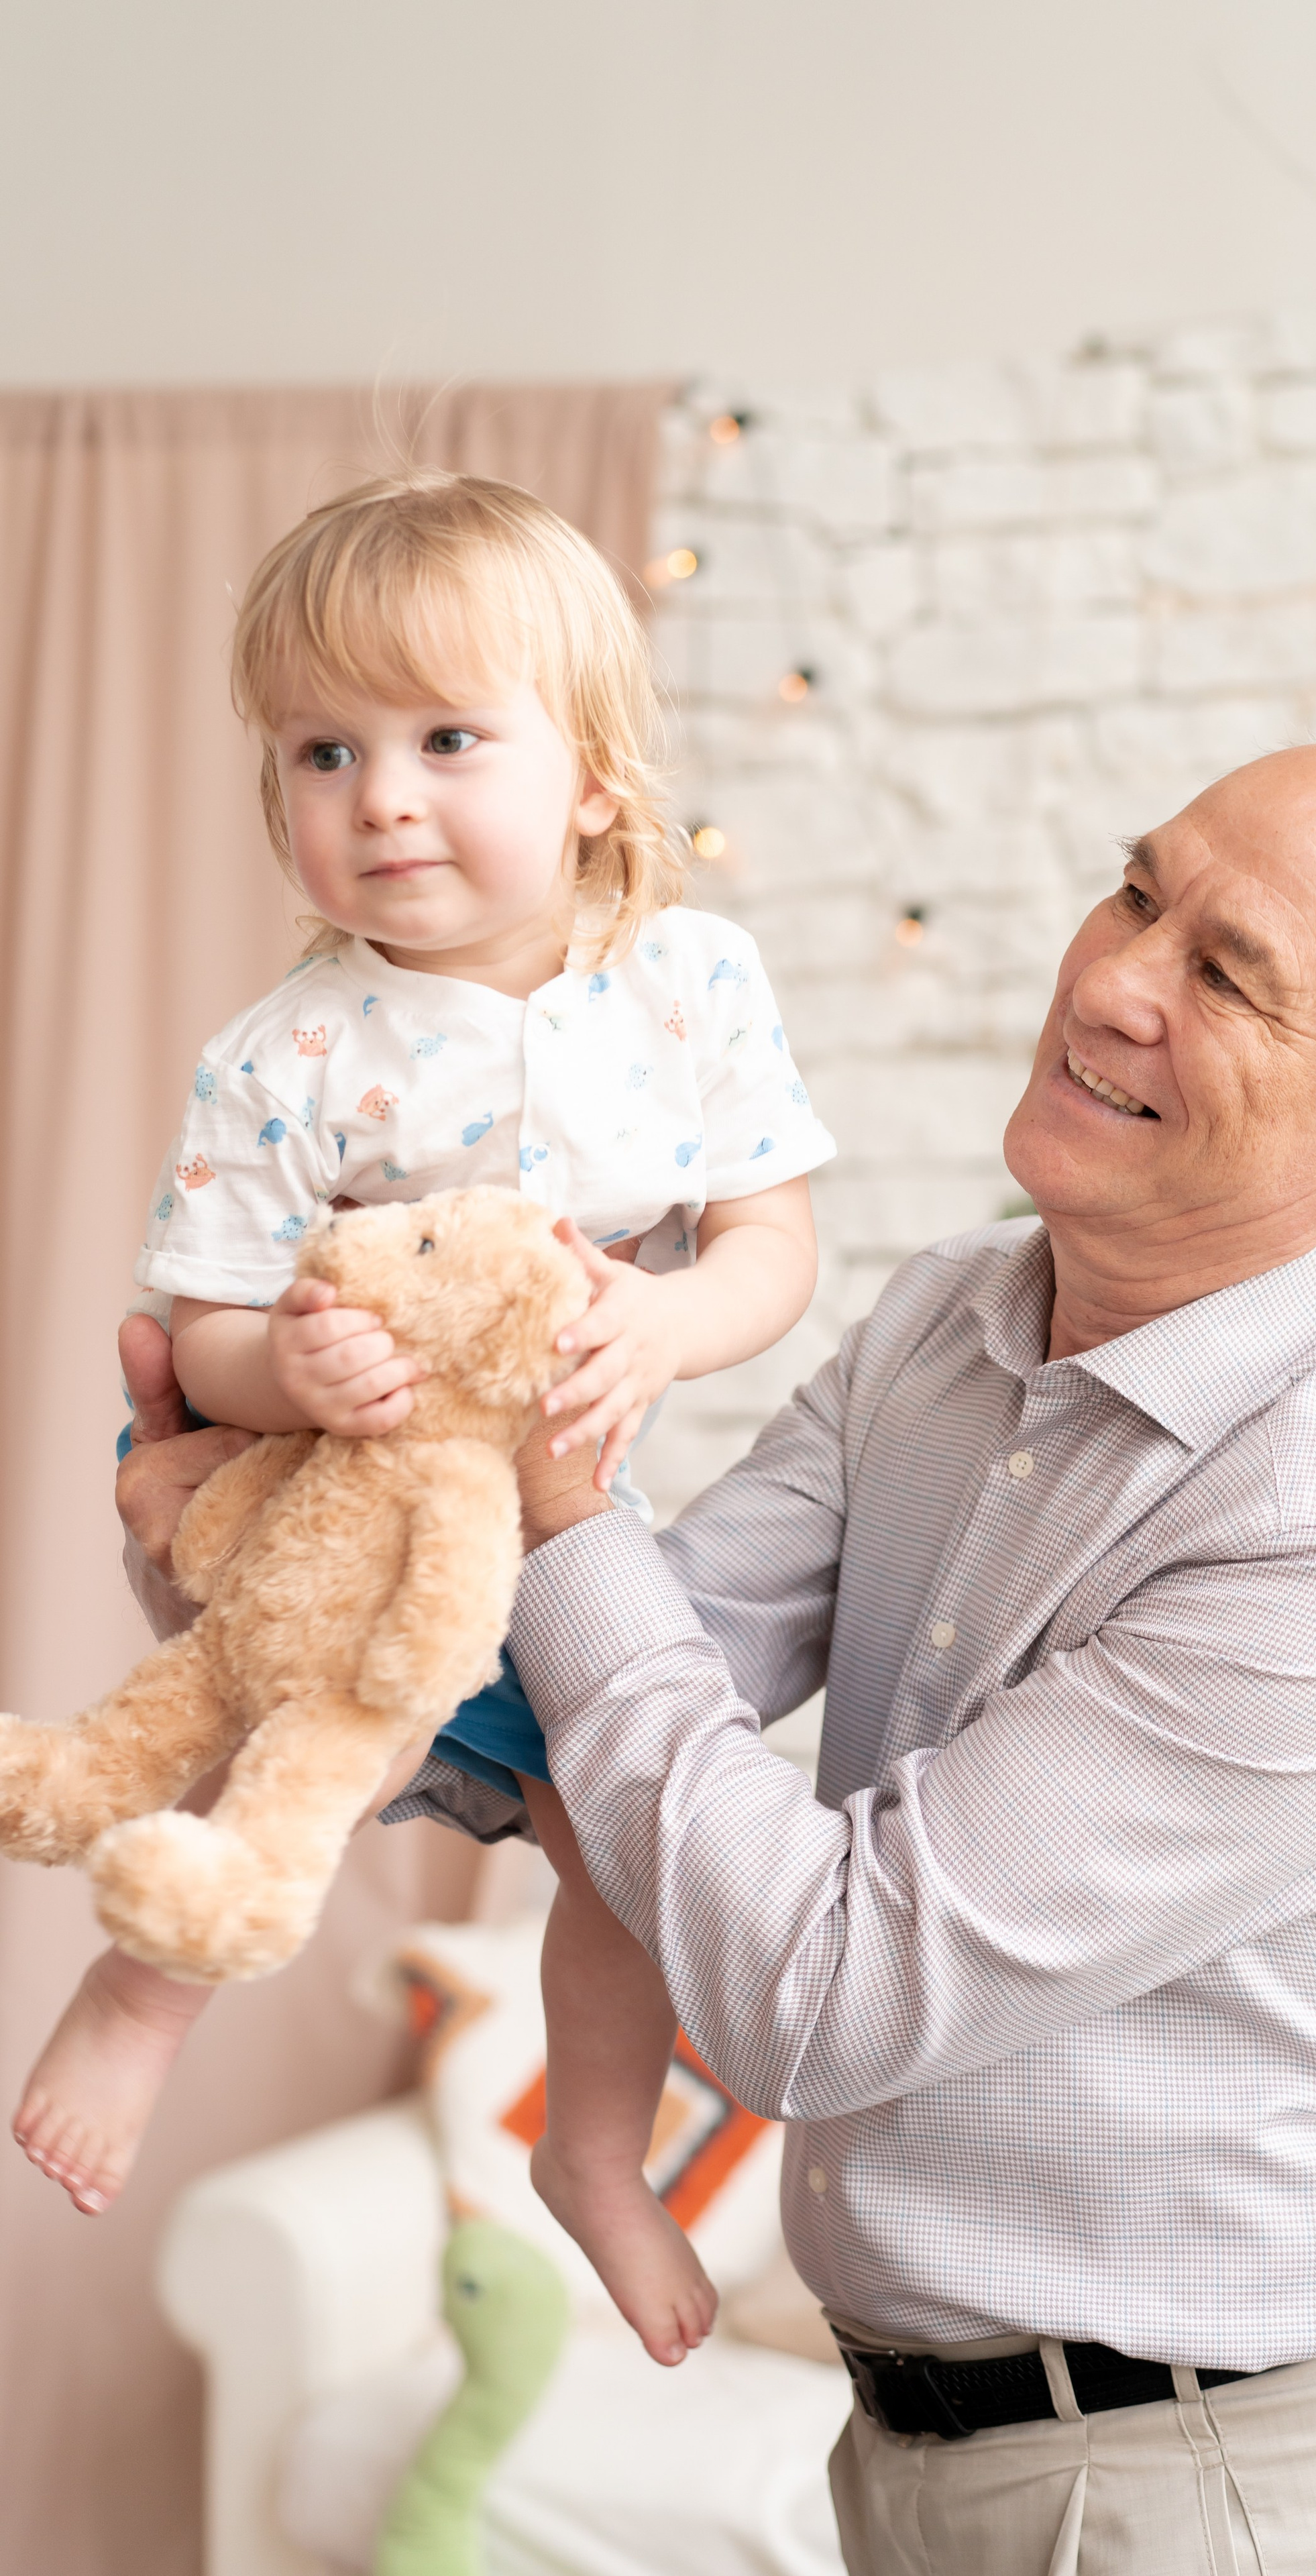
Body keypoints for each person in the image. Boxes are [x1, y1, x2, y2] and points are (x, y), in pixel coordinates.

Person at [111, 742, 1316, 2573]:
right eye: (1137, 893)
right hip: (919, 2453)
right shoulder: (956, 1315)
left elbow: (819, 1999)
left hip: (1235, 2489)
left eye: (1226, 975)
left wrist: (545, 1499)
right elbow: (601, 1701)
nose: (1113, 982)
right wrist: (260, 1563)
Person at [11, 470, 835, 2373]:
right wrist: (282, 1374)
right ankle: (140, 2002)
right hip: (322, 1479)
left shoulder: (692, 981)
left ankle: (595, 2153)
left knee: (617, 1841)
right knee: (280, 1727)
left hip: (546, 1519)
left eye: (448, 739)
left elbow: (772, 1246)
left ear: (596, 778)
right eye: (324, 752)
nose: (379, 796)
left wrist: (668, 1318)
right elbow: (204, 1329)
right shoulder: (288, 1050)